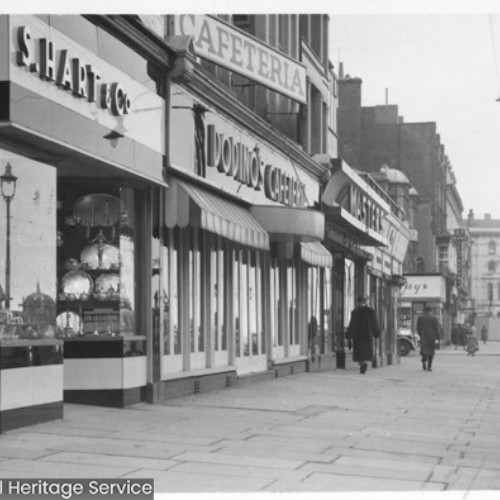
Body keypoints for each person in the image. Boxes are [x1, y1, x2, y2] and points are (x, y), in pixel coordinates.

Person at [347, 296, 381, 374]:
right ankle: (363, 363)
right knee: (366, 352)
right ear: (365, 302)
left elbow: (352, 324)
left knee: (359, 352)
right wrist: (376, 333)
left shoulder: (355, 312)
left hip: (358, 336)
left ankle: (362, 363)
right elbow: (374, 323)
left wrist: (349, 335)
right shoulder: (370, 311)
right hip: (367, 335)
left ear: (357, 302)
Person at [416, 305, 440, 372]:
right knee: (431, 352)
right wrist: (438, 337)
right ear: (431, 310)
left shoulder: (420, 317)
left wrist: (420, 334)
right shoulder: (434, 318)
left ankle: (424, 360)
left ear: (425, 310)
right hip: (432, 337)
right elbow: (437, 328)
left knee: (424, 350)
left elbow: (418, 328)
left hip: (424, 337)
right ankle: (429, 366)